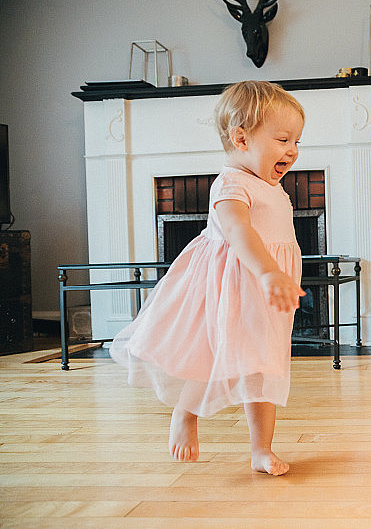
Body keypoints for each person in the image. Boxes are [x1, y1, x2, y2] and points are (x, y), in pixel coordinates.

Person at [110, 81, 306, 474]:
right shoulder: (231, 184)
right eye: (283, 139)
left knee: (264, 365)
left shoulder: (272, 185)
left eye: (297, 141)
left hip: (265, 293)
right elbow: (238, 231)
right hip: (233, 286)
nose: (292, 150)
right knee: (210, 355)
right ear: (241, 138)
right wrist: (268, 271)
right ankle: (185, 413)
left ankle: (260, 450)